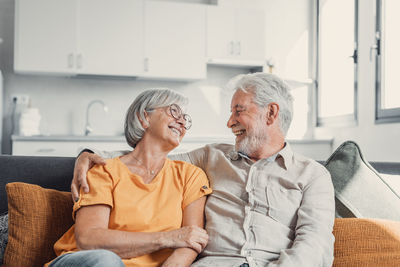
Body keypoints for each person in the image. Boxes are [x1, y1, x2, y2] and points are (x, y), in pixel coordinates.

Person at [72, 73, 335, 267]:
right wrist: (88, 154)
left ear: (271, 113)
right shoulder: (210, 157)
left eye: (238, 111)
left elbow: (314, 243)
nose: (230, 121)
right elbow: (147, 157)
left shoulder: (312, 176)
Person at [47, 89, 212, 267]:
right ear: (144, 118)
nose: (181, 121)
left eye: (185, 118)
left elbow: (192, 241)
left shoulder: (191, 176)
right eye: (173, 111)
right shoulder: (105, 171)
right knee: (106, 261)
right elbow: (88, 239)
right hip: (87, 261)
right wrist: (167, 238)